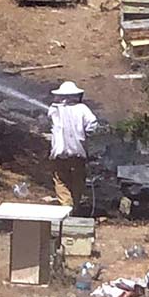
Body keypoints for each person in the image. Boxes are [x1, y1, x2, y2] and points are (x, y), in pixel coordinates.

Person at [47, 81, 98, 209]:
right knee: (77, 181)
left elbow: (50, 122)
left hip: (59, 153)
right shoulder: (82, 109)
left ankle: (66, 206)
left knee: (61, 181)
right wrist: (86, 134)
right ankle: (73, 207)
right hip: (77, 153)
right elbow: (93, 124)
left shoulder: (54, 109)